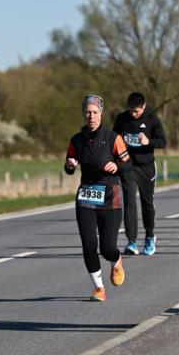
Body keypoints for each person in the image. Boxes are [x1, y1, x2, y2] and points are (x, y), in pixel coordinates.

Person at [65, 94, 130, 300]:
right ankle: (99, 287)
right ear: (83, 114)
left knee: (107, 247)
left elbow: (128, 164)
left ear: (101, 114)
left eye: (94, 112)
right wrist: (69, 166)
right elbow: (69, 164)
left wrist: (116, 165)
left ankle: (116, 260)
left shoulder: (113, 138)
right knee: (88, 244)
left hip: (110, 195)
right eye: (87, 112)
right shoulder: (76, 140)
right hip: (86, 196)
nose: (91, 116)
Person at [113, 92, 166, 256]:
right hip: (128, 166)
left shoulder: (152, 119)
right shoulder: (122, 119)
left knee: (147, 202)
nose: (133, 114)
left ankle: (150, 236)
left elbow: (163, 142)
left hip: (146, 166)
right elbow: (114, 139)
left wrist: (148, 142)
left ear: (143, 107)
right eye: (130, 110)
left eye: (136, 111)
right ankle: (131, 242)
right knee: (129, 202)